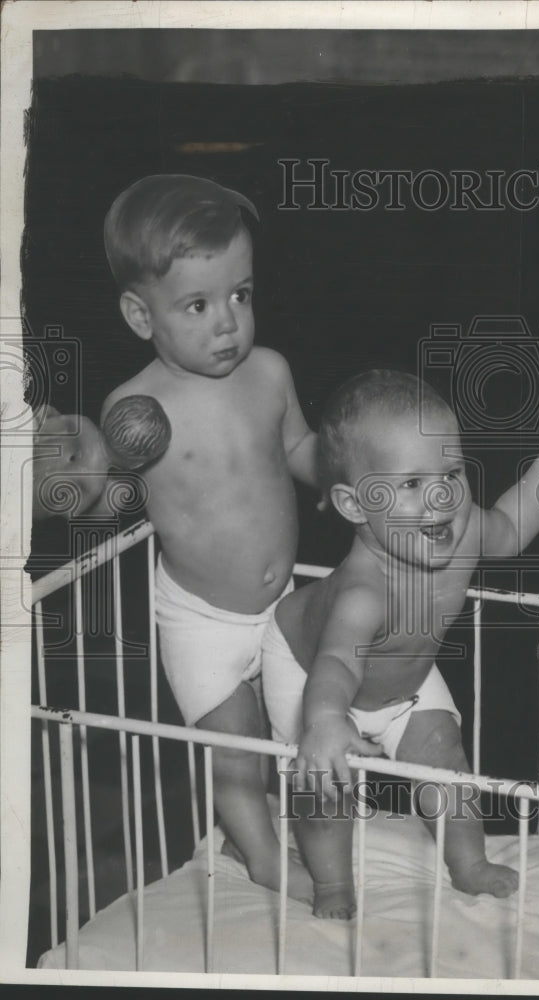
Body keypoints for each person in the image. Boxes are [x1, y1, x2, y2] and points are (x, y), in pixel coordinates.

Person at [263, 369, 539, 919]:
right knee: (324, 787)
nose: (440, 496)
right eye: (411, 484)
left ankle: (469, 864)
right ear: (354, 505)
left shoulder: (461, 529)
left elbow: (509, 525)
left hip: (402, 680)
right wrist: (323, 720)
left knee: (446, 760)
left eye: (452, 472)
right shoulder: (365, 591)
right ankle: (333, 884)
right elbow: (337, 662)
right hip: (310, 671)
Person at [100, 174, 318, 900]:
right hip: (199, 618)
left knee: (302, 733)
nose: (227, 322)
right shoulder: (136, 408)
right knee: (235, 747)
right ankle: (258, 854)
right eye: (197, 305)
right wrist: (61, 474)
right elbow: (108, 501)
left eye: (240, 294)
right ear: (141, 315)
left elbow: (299, 452)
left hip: (282, 605)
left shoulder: (271, 372)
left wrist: (358, 472)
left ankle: (307, 832)